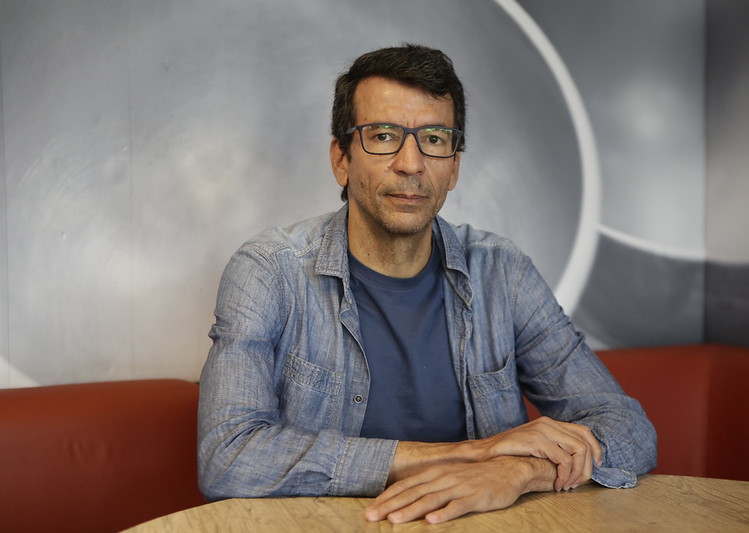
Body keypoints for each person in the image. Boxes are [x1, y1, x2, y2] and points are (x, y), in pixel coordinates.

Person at [198, 43, 656, 525]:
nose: (411, 164)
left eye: (434, 139)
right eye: (383, 136)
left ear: (454, 165)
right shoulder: (269, 271)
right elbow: (228, 457)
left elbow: (629, 429)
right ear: (341, 159)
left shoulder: (502, 272)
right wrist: (477, 454)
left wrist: (518, 473)